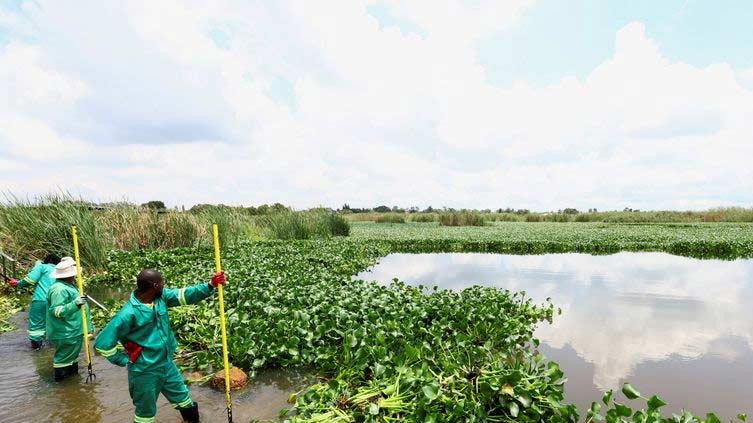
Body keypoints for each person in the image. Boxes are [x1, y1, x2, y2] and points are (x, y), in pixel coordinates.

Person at [94, 268, 226, 423]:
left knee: (184, 400)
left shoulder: (161, 298)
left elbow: (185, 295)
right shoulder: (127, 314)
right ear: (155, 286)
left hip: (166, 364)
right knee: (145, 414)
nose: (164, 285)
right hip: (145, 371)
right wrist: (123, 359)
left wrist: (210, 285)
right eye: (162, 282)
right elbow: (102, 343)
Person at [46, 256, 93, 381]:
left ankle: (72, 387)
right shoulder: (59, 289)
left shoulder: (68, 285)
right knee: (63, 360)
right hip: (65, 332)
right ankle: (62, 387)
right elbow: (56, 311)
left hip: (73, 330)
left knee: (71, 360)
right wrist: (75, 303)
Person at [7, 253, 61, 349]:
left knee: (36, 325)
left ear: (46, 261)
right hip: (57, 301)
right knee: (54, 324)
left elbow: (30, 280)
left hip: (41, 300)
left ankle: (37, 351)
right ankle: (54, 349)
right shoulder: (61, 271)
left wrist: (17, 283)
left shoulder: (42, 267)